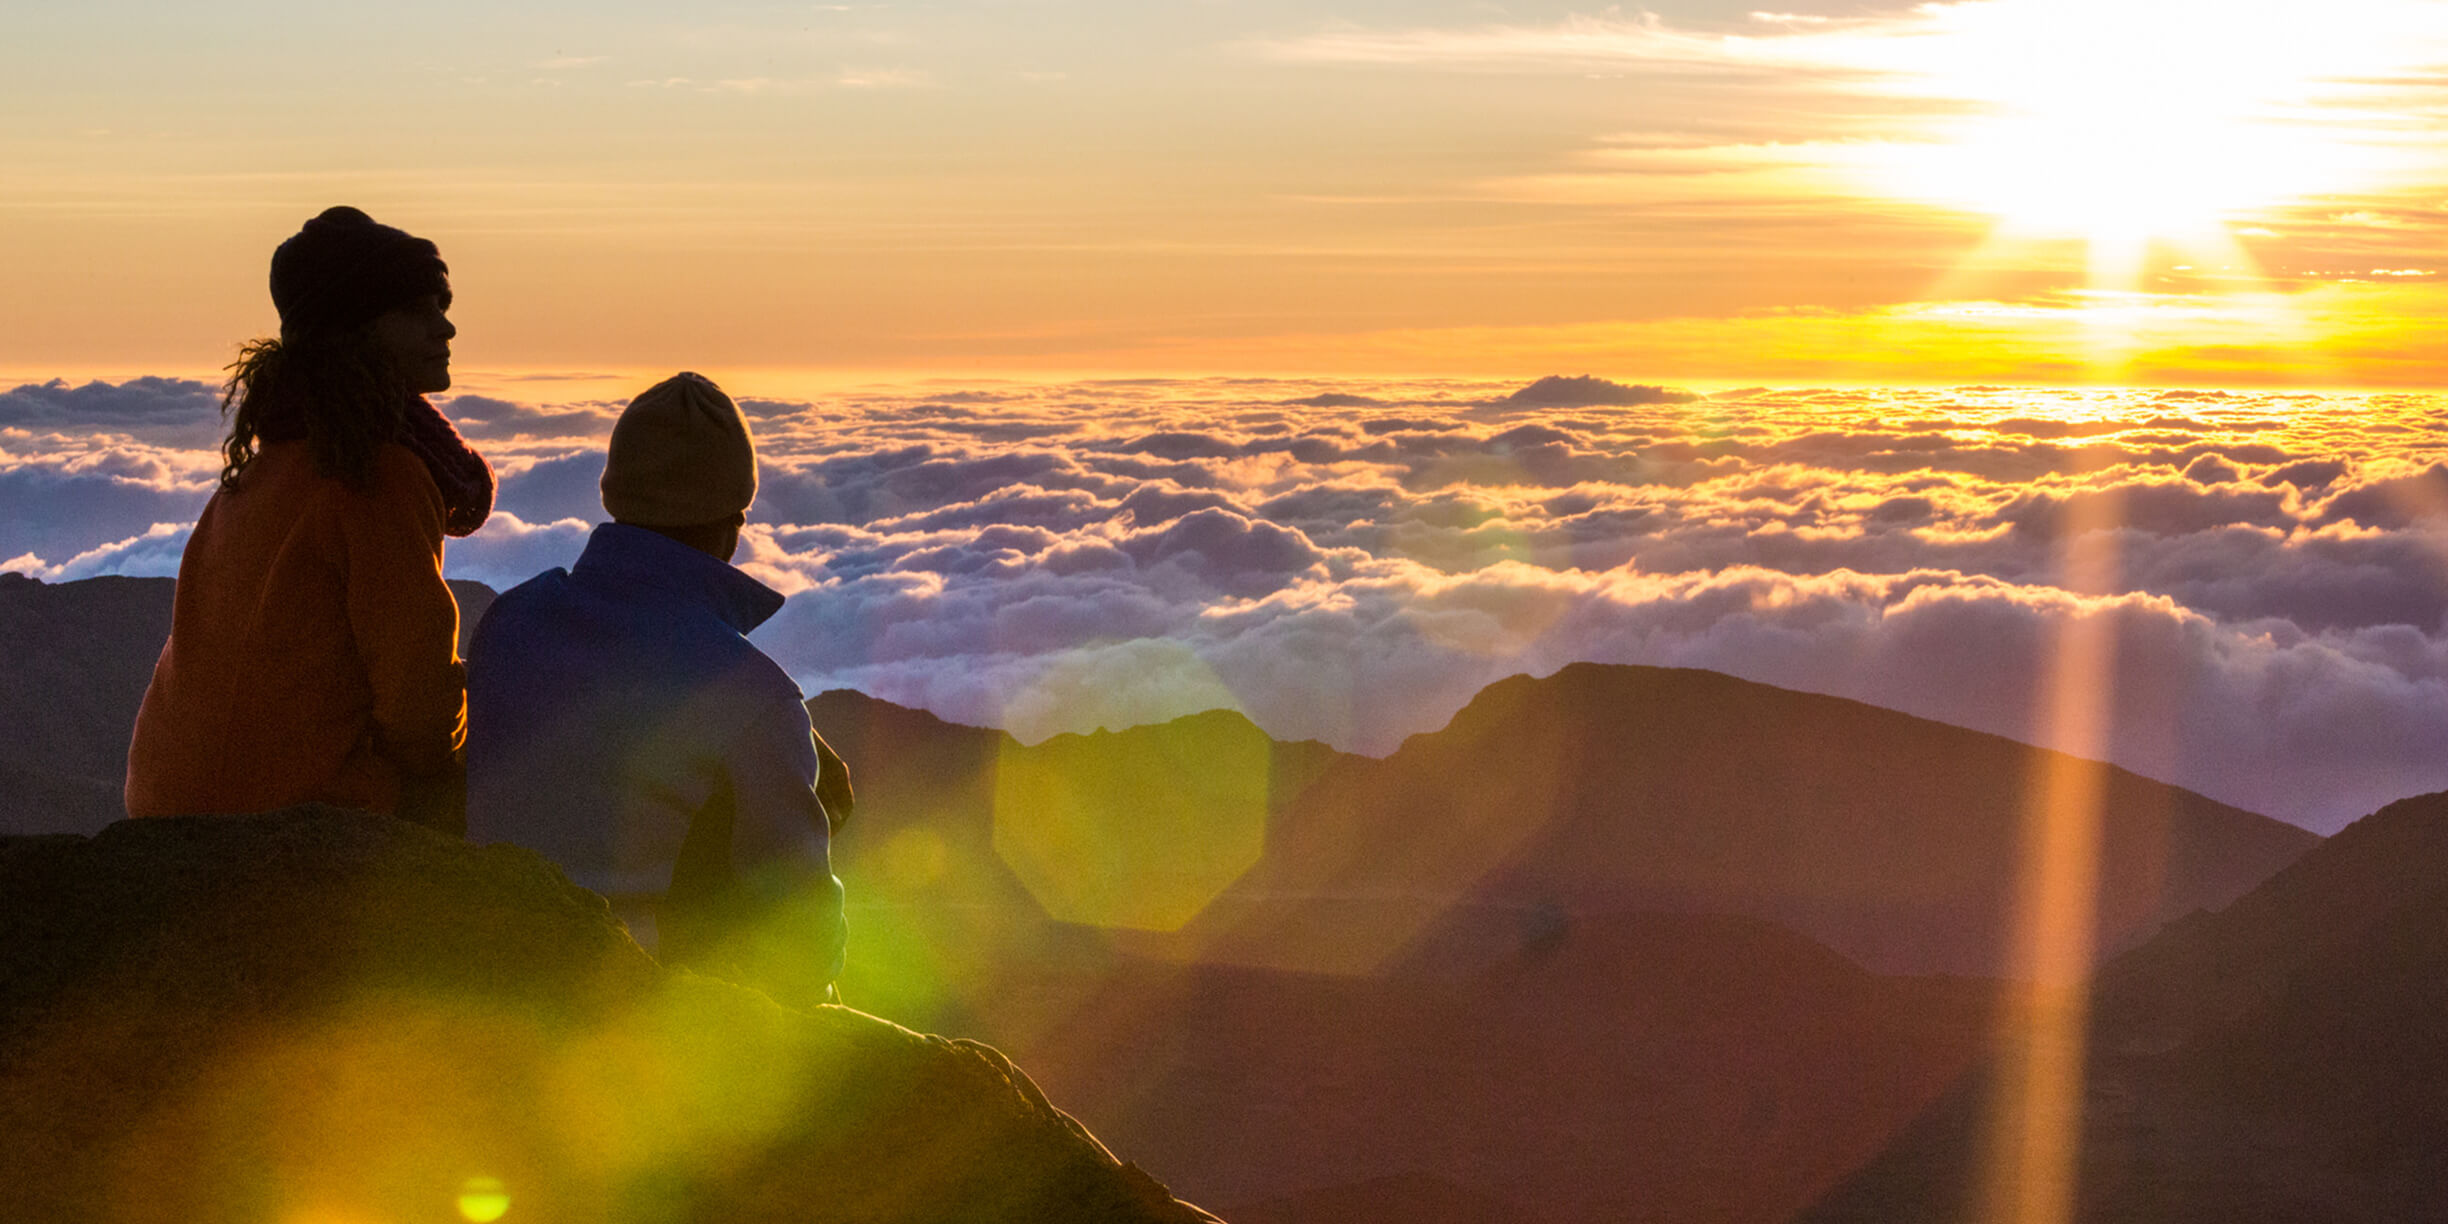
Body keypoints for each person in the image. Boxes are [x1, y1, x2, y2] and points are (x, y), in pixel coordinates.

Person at [464, 372, 851, 1007]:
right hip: (638, 1023)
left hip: (486, 982)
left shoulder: (509, 623)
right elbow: (804, 952)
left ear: (615, 500)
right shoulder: (755, 701)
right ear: (735, 521)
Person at [125, 206, 492, 828]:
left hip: (165, 802)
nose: (446, 327)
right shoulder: (377, 476)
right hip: (289, 811)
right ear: (357, 330)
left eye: (442, 304)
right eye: (417, 310)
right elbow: (417, 698)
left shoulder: (265, 466)